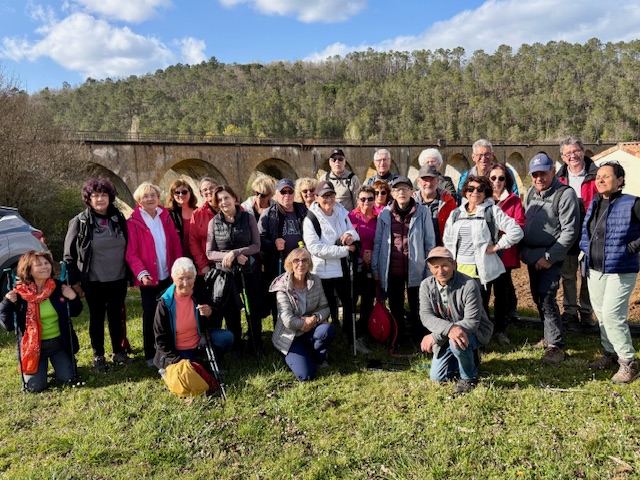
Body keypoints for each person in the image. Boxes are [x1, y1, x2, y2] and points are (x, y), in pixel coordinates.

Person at [580, 162, 640, 383]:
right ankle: (610, 353)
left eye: (606, 176)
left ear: (620, 180)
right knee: (602, 314)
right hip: (595, 268)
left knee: (613, 315)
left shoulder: (632, 203)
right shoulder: (596, 202)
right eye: (598, 177)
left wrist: (630, 248)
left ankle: (628, 362)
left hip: (620, 269)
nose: (600, 180)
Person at [63, 177, 131, 371]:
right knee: (97, 318)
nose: (100, 199)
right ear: (88, 198)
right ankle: (98, 355)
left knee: (116, 316)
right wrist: (75, 282)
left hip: (118, 278)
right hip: (94, 281)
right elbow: (69, 256)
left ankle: (118, 352)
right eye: (95, 195)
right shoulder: (80, 221)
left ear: (110, 197)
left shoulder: (118, 218)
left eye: (104, 195)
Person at [520, 153, 580, 365]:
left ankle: (556, 345)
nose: (539, 178)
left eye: (543, 173)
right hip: (532, 255)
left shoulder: (565, 194)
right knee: (538, 297)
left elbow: (569, 231)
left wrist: (549, 257)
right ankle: (548, 335)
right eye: (535, 174)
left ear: (553, 171)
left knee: (547, 297)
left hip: (549, 255)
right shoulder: (532, 192)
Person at [443, 175, 523, 325]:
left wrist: (497, 246)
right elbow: (447, 238)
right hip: (458, 268)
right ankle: (464, 334)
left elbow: (516, 231)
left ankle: (483, 334)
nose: (475, 192)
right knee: (459, 306)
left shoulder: (492, 211)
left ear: (486, 193)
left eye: (480, 189)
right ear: (465, 191)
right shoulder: (456, 213)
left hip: (478, 269)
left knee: (478, 307)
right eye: (471, 189)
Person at [0, 250, 82, 392]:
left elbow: (76, 311)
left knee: (68, 379)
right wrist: (6, 303)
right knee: (35, 387)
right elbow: (8, 326)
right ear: (28, 270)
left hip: (59, 344)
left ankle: (65, 362)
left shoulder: (58, 287)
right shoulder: (20, 294)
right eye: (39, 265)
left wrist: (73, 297)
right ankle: (40, 370)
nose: (45, 267)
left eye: (46, 263)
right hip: (34, 349)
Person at [419, 247, 494, 395]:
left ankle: (469, 378)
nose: (440, 271)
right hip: (447, 334)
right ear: (430, 268)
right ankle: (469, 358)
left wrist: (436, 336)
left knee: (457, 341)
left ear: (454, 264)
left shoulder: (469, 284)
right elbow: (426, 316)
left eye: (445, 265)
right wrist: (450, 330)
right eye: (435, 267)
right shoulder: (426, 285)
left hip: (474, 331)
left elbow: (472, 322)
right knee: (438, 377)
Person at [372, 176, 436, 346]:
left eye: (405, 189)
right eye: (398, 189)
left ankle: (419, 338)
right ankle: (398, 337)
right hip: (393, 268)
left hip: (416, 268)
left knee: (417, 304)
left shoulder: (423, 212)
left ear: (412, 192)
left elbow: (429, 242)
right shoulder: (385, 214)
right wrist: (376, 268)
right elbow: (378, 242)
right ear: (393, 193)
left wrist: (429, 269)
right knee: (396, 305)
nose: (402, 193)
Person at [126, 182, 182, 367]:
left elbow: (175, 243)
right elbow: (131, 253)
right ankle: (151, 354)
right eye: (145, 196)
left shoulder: (165, 217)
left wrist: (177, 268)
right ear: (139, 200)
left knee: (170, 313)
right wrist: (141, 273)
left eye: (153, 195)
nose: (150, 199)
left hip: (168, 275)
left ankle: (171, 349)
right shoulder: (133, 222)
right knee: (150, 315)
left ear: (158, 198)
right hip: (148, 278)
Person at [302, 180, 363, 351]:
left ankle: (351, 339)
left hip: (343, 269)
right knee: (325, 309)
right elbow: (315, 248)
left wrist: (350, 235)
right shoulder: (310, 219)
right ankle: (325, 345)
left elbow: (353, 231)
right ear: (317, 197)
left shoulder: (341, 211)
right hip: (322, 272)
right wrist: (343, 250)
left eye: (331, 195)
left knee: (349, 305)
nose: (329, 199)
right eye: (325, 196)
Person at [206, 185, 262, 355]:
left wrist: (235, 253)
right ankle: (236, 346)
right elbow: (210, 253)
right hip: (226, 273)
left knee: (253, 308)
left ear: (234, 199)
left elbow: (256, 245)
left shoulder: (248, 217)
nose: (224, 202)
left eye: (226, 198)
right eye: (220, 200)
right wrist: (229, 257)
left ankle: (256, 343)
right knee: (231, 311)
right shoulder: (213, 222)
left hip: (248, 270)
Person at [153, 257, 234, 371]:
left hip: (199, 343)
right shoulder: (164, 303)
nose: (185, 283)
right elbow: (160, 339)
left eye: (189, 278)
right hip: (177, 350)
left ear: (195, 278)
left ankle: (209, 361)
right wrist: (175, 359)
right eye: (181, 278)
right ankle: (197, 365)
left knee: (226, 337)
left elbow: (215, 319)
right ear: (173, 278)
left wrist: (210, 312)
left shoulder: (199, 294)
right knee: (191, 372)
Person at [270, 248, 335, 381]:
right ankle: (299, 354)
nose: (301, 264)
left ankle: (319, 358)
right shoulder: (282, 286)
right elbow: (288, 320)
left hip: (310, 328)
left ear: (309, 263)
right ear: (290, 263)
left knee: (326, 330)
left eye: (305, 260)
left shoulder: (315, 280)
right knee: (306, 375)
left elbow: (325, 308)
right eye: (296, 260)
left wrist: (314, 319)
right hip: (290, 336)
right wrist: (305, 323)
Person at [557, 136, 598, 327]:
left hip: (591, 231)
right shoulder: (559, 179)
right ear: (562, 157)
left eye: (576, 151)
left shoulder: (596, 175)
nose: (573, 156)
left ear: (583, 151)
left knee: (588, 274)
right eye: (568, 153)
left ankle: (587, 311)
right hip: (568, 231)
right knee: (568, 274)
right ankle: (570, 310)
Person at [259, 178, 308, 322]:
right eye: (283, 192)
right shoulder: (269, 213)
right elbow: (260, 239)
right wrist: (273, 244)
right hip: (279, 263)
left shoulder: (303, 210)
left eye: (290, 191)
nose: (287, 195)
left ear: (294, 193)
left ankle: (302, 326)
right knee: (281, 299)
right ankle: (280, 328)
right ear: (276, 194)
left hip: (301, 264)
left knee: (301, 297)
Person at [489, 163, 526, 345]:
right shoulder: (481, 199)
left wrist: (501, 235)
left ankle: (501, 329)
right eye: (493, 178)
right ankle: (484, 327)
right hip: (485, 253)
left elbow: (519, 224)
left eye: (501, 178)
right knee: (482, 293)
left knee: (502, 293)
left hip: (504, 252)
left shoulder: (514, 200)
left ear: (506, 181)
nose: (497, 181)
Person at [348, 186, 378, 347]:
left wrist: (371, 253)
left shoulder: (379, 217)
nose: (367, 202)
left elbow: (381, 239)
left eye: (370, 199)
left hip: (371, 264)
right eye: (363, 199)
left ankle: (365, 329)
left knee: (368, 299)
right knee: (352, 299)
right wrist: (360, 254)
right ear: (357, 200)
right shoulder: (350, 217)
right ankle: (351, 332)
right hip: (354, 263)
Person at [413, 164, 456, 245]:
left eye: (432, 180)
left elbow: (455, 227)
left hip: (440, 248)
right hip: (417, 248)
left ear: (438, 180)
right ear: (418, 181)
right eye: (425, 180)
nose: (429, 184)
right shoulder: (412, 202)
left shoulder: (448, 201)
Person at [189, 177, 219, 278]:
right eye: (205, 190)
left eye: (211, 188)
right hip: (209, 265)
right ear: (201, 194)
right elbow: (193, 242)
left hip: (232, 261)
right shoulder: (197, 214)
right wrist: (203, 265)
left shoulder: (231, 208)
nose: (208, 191)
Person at [166, 178, 197, 261]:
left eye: (184, 192)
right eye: (177, 192)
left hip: (198, 258)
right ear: (172, 195)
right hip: (178, 260)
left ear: (190, 193)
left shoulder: (198, 212)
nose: (181, 195)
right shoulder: (168, 214)